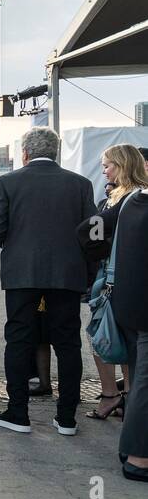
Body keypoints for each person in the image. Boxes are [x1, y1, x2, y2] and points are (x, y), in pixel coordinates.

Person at [0, 127, 96, 435]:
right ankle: (67, 418)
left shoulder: (6, 183)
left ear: (25, 153)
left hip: (22, 274)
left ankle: (18, 412)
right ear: (56, 152)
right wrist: (87, 272)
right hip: (67, 275)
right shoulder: (81, 184)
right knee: (68, 344)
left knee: (19, 340)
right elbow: (93, 235)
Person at [77, 145, 148, 420]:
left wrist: (99, 252)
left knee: (100, 335)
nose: (103, 170)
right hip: (130, 279)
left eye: (107, 165)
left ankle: (112, 395)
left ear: (121, 165)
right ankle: (128, 399)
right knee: (130, 342)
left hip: (114, 279)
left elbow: (87, 229)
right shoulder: (132, 195)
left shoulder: (124, 200)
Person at [110, 185, 148, 481]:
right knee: (144, 384)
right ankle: (138, 458)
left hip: (130, 305)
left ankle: (131, 448)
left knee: (139, 380)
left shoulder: (133, 200)